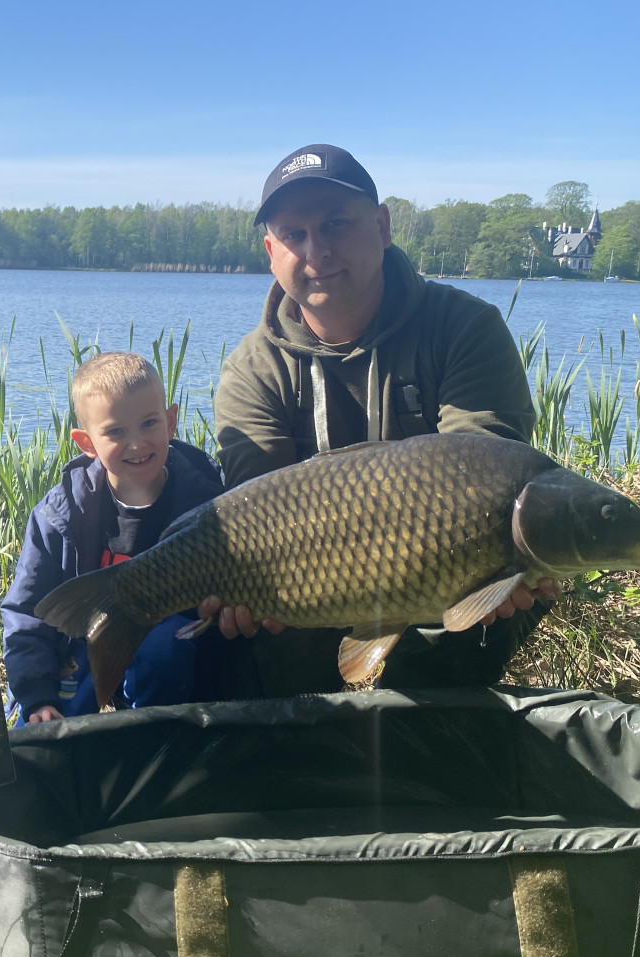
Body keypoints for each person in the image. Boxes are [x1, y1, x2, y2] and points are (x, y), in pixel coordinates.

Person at [201, 143, 558, 694]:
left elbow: (489, 475)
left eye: (335, 224)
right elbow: (255, 511)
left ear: (383, 226)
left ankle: (429, 721)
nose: (316, 250)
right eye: (294, 234)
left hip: (448, 570)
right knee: (259, 645)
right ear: (272, 251)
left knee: (500, 584)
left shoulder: (464, 328)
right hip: (307, 580)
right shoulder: (253, 368)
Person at [1, 352, 233, 725]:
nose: (137, 444)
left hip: (173, 651)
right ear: (86, 442)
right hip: (88, 642)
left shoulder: (210, 500)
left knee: (164, 647)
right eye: (115, 432)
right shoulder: (61, 514)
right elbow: (27, 612)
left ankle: (157, 734)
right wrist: (36, 696)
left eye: (149, 423)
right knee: (46, 724)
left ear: (171, 422)